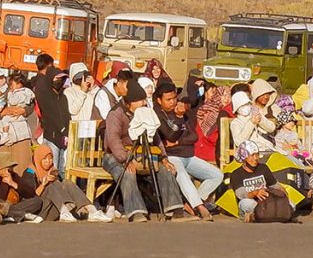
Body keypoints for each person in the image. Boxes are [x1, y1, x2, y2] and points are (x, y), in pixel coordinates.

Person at [102, 80, 185, 222]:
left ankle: (174, 208)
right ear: (130, 102)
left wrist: (163, 158)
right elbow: (113, 140)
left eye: (144, 100)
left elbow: (156, 137)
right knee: (127, 173)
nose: (143, 103)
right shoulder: (116, 114)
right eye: (140, 101)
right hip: (115, 156)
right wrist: (124, 160)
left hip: (142, 154)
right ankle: (136, 211)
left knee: (166, 169)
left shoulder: (145, 113)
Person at [153, 80, 220, 220]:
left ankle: (192, 202)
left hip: (188, 155)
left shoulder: (183, 113)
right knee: (182, 175)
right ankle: (200, 208)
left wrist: (178, 141)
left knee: (216, 175)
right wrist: (177, 119)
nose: (172, 102)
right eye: (168, 99)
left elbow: (194, 136)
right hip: (172, 156)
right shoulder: (158, 115)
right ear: (159, 100)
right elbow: (169, 135)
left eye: (174, 98)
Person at [19, 143, 111, 221]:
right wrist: (43, 184)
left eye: (50, 158)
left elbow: (62, 189)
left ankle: (91, 210)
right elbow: (31, 198)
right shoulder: (29, 173)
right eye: (44, 159)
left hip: (56, 208)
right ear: (38, 159)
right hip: (42, 212)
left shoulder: (52, 170)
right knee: (50, 186)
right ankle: (65, 211)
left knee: (67, 182)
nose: (48, 161)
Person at [230, 141, 294, 222]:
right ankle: (254, 215)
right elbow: (240, 194)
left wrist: (284, 196)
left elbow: (274, 185)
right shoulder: (236, 174)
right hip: (252, 202)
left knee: (292, 205)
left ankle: (258, 216)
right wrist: (255, 193)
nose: (256, 158)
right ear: (244, 157)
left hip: (266, 201)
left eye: (257, 154)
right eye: (252, 155)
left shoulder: (263, 168)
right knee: (245, 204)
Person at [0, 71, 36, 172]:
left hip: (21, 135)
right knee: (4, 171)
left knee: (21, 169)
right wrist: (3, 113)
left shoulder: (20, 93)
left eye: (1, 77)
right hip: (2, 137)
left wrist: (24, 110)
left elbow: (30, 105)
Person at [33, 65, 70, 174]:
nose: (59, 81)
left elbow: (66, 115)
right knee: (51, 169)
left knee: (61, 169)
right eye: (56, 78)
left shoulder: (63, 97)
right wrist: (62, 129)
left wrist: (67, 131)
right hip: (51, 137)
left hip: (63, 138)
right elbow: (51, 117)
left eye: (61, 79)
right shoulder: (46, 97)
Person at [0, 149, 45, 223]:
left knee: (37, 201)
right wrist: (5, 183)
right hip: (1, 207)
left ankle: (14, 215)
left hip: (16, 205)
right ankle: (17, 215)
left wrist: (14, 184)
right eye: (8, 167)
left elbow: (30, 194)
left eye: (11, 167)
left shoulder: (14, 176)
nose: (10, 170)